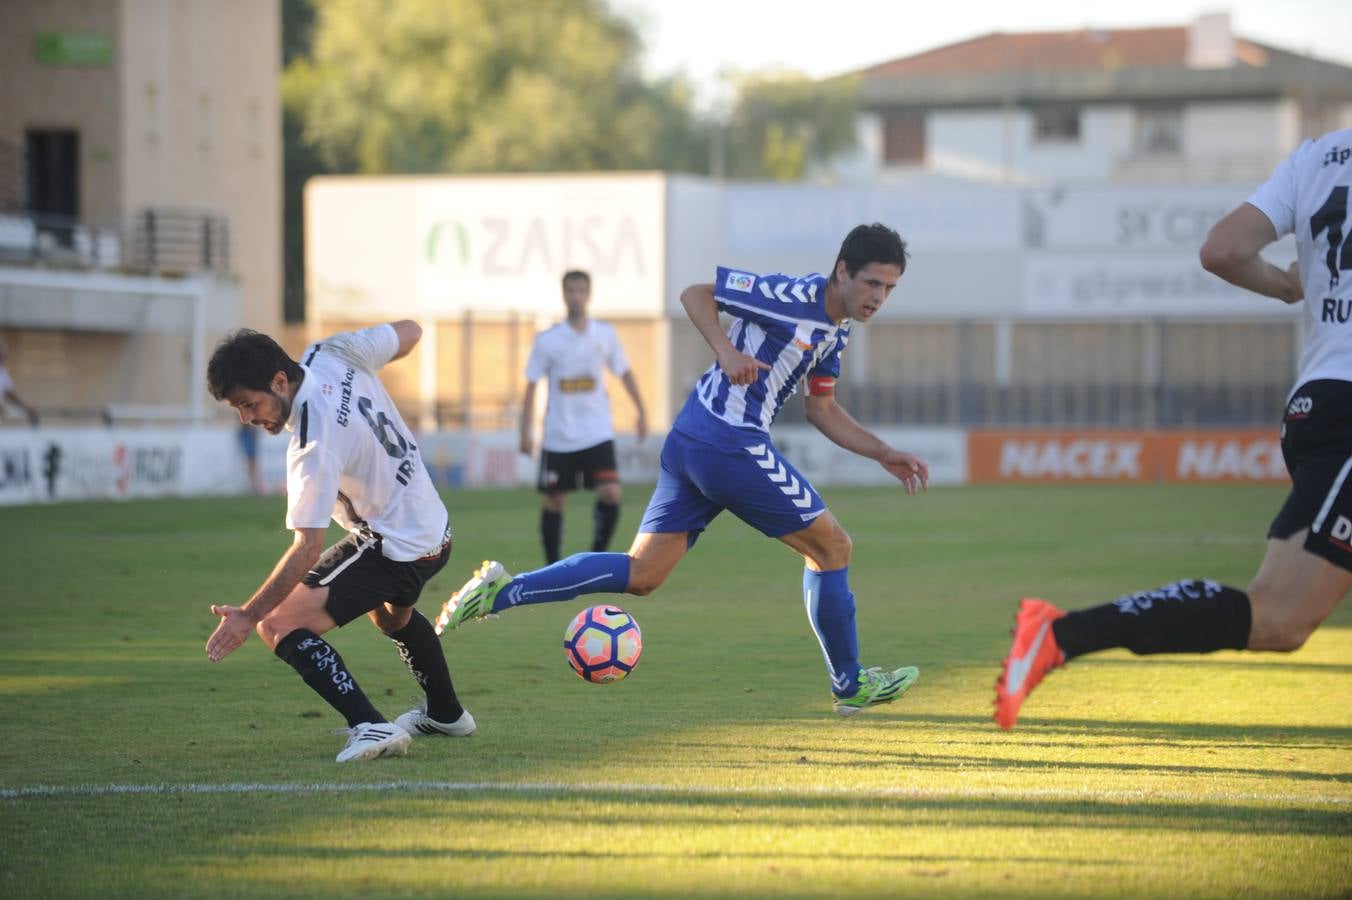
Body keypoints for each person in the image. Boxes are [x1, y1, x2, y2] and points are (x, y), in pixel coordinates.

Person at [438, 224, 930, 716]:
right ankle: (849, 686)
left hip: (694, 437)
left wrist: (882, 452)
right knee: (833, 547)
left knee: (643, 573)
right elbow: (697, 294)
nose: (879, 297)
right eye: (871, 283)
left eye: (888, 288)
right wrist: (725, 350)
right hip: (727, 441)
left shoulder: (835, 330)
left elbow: (822, 408)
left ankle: (502, 592)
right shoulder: (788, 297)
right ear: (842, 270)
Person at [993, 127, 1352, 730]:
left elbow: (1224, 250)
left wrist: (1290, 283)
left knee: (1281, 616)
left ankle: (1060, 633)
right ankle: (1060, 634)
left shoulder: (1318, 155)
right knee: (1281, 617)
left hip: (1321, 400)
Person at [204, 322, 474, 762]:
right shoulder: (335, 352)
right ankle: (446, 714)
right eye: (237, 409)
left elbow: (307, 547)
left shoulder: (313, 443)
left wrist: (248, 615)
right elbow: (410, 331)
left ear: (278, 381)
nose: (248, 419)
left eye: (249, 404)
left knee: (277, 623)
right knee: (390, 618)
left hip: (393, 541)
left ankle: (369, 725)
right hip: (433, 527)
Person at [521, 270, 648, 563]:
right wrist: (525, 431)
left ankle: (596, 558)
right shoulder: (548, 340)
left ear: (588, 294)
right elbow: (530, 385)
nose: (576, 296)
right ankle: (552, 566)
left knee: (611, 493)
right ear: (563, 294)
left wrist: (641, 411)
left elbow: (625, 372)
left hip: (597, 431)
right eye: (570, 290)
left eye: (581, 290)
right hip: (559, 434)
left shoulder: (604, 334)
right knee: (555, 499)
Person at [0, 339, 39, 426]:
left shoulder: (2, 372)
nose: (3, 360)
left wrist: (27, 408)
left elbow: (11, 395)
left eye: (3, 357)